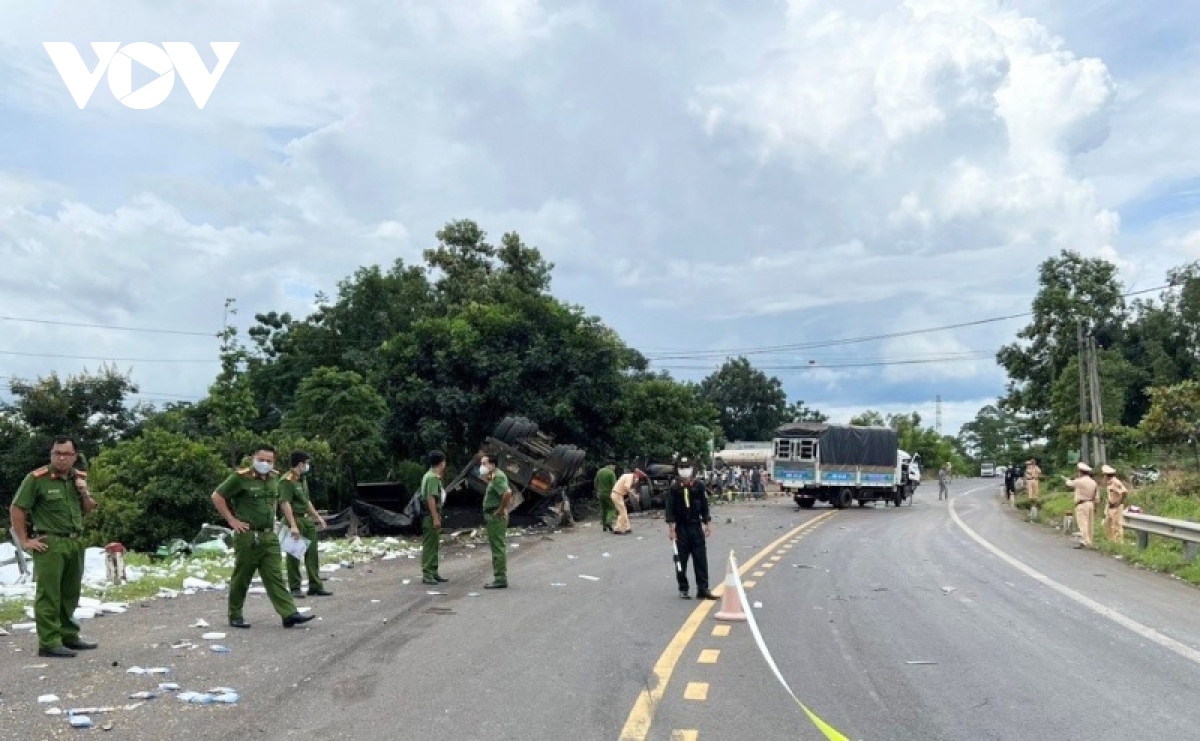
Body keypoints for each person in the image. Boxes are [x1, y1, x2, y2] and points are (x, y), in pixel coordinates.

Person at [8, 436, 99, 658]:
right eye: (56, 453)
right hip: (50, 542)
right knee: (49, 594)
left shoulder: (78, 479)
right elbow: (17, 508)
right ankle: (49, 642)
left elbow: (88, 509)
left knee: (70, 592)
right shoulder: (37, 479)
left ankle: (69, 635)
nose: (60, 458)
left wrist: (84, 491)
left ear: (74, 457)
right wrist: (24, 540)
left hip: (75, 541)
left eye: (65, 454)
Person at [212, 444, 314, 629]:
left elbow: (280, 502)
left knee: (275, 576)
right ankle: (235, 615)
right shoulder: (240, 478)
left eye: (269, 460)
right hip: (248, 536)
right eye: (261, 460)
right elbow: (217, 496)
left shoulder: (275, 478)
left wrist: (289, 524)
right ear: (253, 459)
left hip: (269, 535)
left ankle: (289, 613)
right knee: (243, 577)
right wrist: (232, 521)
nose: (265, 463)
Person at [278, 450, 332, 599]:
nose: (308, 466)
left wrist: (318, 517)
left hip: (306, 519)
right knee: (294, 554)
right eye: (307, 463)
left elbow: (306, 501)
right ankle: (295, 587)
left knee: (312, 554)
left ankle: (315, 585)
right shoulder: (287, 481)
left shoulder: (302, 480)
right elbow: (285, 503)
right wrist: (293, 525)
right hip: (294, 519)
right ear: (300, 464)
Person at [665, 456, 717, 600]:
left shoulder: (699, 486)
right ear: (678, 470)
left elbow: (705, 506)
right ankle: (683, 588)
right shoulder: (674, 488)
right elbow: (669, 510)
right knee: (680, 560)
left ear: (692, 469)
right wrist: (671, 529)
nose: (685, 471)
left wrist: (707, 524)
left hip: (695, 526)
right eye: (682, 468)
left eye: (687, 467)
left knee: (700, 558)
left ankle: (703, 589)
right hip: (681, 528)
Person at [478, 453, 513, 589]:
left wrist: (501, 509)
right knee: (497, 546)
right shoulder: (494, 476)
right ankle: (499, 576)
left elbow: (507, 493)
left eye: (484, 463)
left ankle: (500, 578)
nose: (482, 466)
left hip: (495, 517)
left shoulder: (497, 477)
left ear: (492, 465)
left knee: (498, 547)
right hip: (493, 516)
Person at [421, 450, 449, 585]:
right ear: (442, 463)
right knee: (430, 545)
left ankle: (433, 571)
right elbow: (431, 498)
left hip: (432, 514)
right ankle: (427, 573)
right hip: (430, 515)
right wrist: (435, 517)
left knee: (434, 544)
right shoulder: (432, 478)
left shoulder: (430, 475)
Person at [1063, 462, 1099, 549]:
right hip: (1091, 503)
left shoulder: (1080, 481)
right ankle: (1089, 541)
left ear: (1080, 472)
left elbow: (1069, 484)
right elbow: (1097, 497)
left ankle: (1085, 541)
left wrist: (1067, 479)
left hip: (1082, 504)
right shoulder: (1093, 482)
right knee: (1090, 524)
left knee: (1083, 524)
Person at [610, 468, 644, 535]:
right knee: (622, 512)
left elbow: (627, 487)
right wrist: (634, 495)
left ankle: (627, 528)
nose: (637, 481)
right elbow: (626, 487)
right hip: (617, 495)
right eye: (638, 479)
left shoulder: (627, 476)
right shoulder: (630, 477)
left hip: (617, 495)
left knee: (624, 511)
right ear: (636, 477)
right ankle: (617, 529)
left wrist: (634, 493)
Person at [1102, 464, 1129, 542]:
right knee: (1107, 524)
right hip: (1110, 506)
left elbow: (1124, 492)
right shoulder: (1109, 483)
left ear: (1107, 475)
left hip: (1117, 507)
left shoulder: (1115, 482)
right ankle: (1111, 540)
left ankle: (1119, 542)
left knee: (1117, 525)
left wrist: (1119, 502)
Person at [594, 462, 617, 532]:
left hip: (601, 494)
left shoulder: (599, 471)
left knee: (604, 510)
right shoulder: (611, 473)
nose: (614, 468)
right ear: (611, 465)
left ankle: (604, 526)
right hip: (609, 494)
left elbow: (595, 482)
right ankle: (608, 522)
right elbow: (614, 485)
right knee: (613, 508)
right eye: (614, 467)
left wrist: (597, 491)